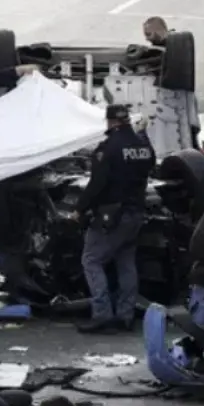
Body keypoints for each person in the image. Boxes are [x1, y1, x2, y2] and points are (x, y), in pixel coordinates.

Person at [72, 104, 155, 334]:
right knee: (125, 262)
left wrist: (80, 209)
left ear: (110, 122)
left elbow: (97, 184)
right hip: (136, 212)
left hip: (112, 215)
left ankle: (102, 314)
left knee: (91, 260)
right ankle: (125, 315)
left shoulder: (108, 148)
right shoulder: (142, 144)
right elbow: (151, 166)